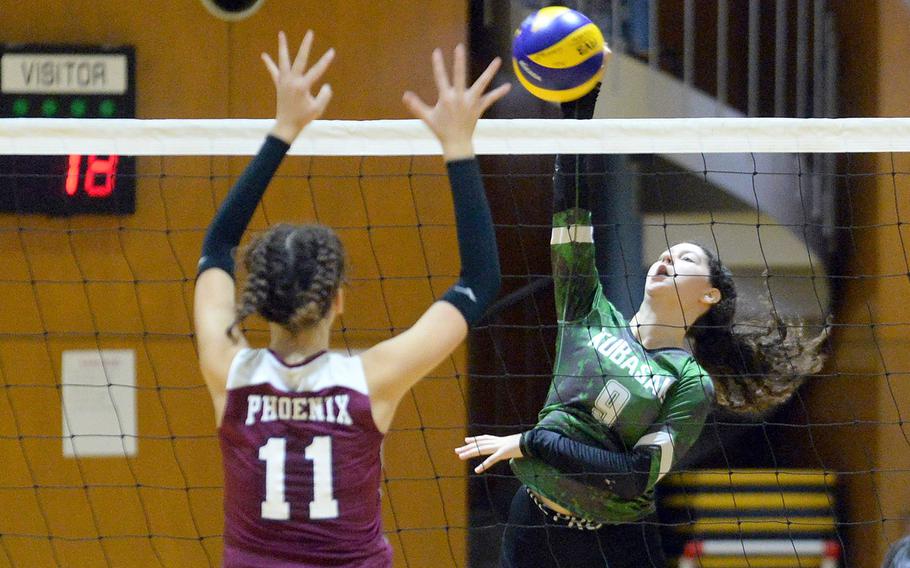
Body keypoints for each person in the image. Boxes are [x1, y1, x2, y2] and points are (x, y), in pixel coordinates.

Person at [455, 83, 827, 568]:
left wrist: (534, 442)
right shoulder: (587, 311)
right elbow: (570, 211)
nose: (671, 254)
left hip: (614, 545)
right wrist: (577, 116)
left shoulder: (689, 383)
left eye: (689, 257)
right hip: (532, 526)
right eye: (671, 250)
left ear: (709, 295)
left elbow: (632, 476)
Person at [194, 31, 509, 568]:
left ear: (259, 299)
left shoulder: (230, 371)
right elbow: (479, 279)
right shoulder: (373, 377)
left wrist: (283, 130)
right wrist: (458, 145)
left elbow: (217, 247)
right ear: (337, 300)